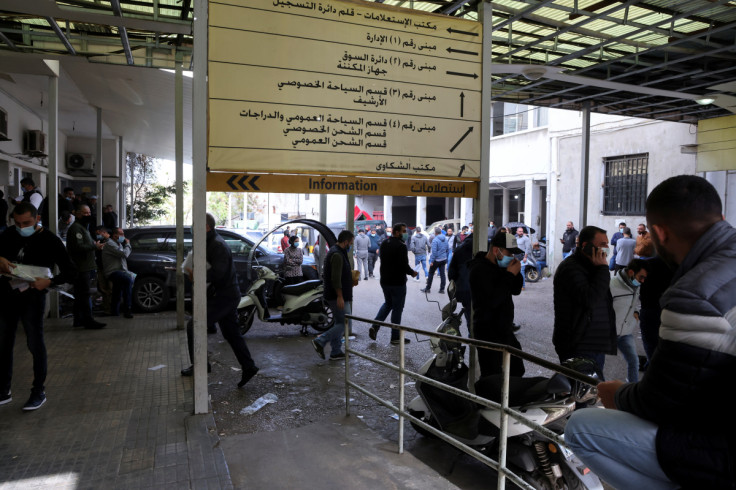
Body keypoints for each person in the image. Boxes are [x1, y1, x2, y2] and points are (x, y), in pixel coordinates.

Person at [566, 175, 736, 490]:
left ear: (658, 233)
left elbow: (660, 401)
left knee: (581, 427)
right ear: (721, 219)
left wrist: (616, 393)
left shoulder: (693, 293)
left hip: (722, 452)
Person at [0, 202, 76, 410]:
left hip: (33, 297)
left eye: (26, 223)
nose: (21, 226)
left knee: (35, 342)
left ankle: (38, 391)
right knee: (4, 342)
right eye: (17, 223)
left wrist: (50, 282)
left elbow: (71, 271)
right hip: (7, 295)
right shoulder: (7, 235)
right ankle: (3, 389)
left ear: (37, 220)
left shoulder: (50, 240)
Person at [181, 213, 259, 388]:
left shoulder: (217, 245)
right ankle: (249, 366)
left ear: (206, 226)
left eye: (196, 225)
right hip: (223, 295)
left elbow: (218, 273)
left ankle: (200, 365)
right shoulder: (208, 242)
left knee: (194, 326)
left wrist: (196, 274)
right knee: (231, 333)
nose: (193, 228)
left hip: (224, 296)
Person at [552, 225, 614, 379]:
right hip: (579, 345)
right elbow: (590, 299)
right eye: (602, 244)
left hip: (593, 342)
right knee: (583, 394)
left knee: (591, 392)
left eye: (607, 244)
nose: (606, 248)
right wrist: (603, 269)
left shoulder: (591, 266)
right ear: (586, 246)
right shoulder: (571, 268)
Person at [468, 232, 525, 377]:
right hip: (488, 331)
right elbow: (492, 301)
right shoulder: (479, 270)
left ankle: (510, 399)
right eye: (509, 253)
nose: (511, 257)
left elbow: (516, 290)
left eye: (514, 254)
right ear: (496, 250)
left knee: (517, 369)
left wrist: (516, 273)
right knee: (492, 376)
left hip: (504, 330)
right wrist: (509, 275)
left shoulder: (501, 268)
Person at [368, 223, 418, 344]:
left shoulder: (385, 243)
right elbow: (403, 264)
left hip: (385, 280)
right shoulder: (401, 246)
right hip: (397, 282)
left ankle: (375, 326)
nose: (405, 234)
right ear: (396, 232)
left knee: (388, 303)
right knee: (397, 308)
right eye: (404, 231)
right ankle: (395, 337)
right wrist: (412, 273)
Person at [311, 230, 354, 361]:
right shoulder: (337, 255)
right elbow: (335, 278)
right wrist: (340, 296)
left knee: (339, 322)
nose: (351, 245)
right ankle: (320, 341)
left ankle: (336, 351)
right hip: (337, 296)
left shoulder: (338, 251)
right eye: (351, 243)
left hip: (338, 294)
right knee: (345, 324)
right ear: (345, 242)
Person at [66, 203, 106, 329]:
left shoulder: (83, 227)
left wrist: (93, 244)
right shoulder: (76, 228)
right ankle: (88, 320)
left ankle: (78, 320)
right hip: (81, 267)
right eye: (85, 213)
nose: (88, 215)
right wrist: (95, 246)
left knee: (80, 295)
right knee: (84, 295)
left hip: (85, 266)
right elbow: (78, 247)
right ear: (77, 213)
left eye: (89, 213)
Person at [610, 259, 648, 383]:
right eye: (641, 277)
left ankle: (631, 389)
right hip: (608, 333)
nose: (642, 281)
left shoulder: (635, 286)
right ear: (631, 272)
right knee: (596, 363)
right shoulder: (611, 285)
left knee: (634, 361)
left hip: (625, 333)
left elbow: (632, 304)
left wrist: (636, 313)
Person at [637, 256, 673, 368]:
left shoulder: (647, 264)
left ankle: (653, 368)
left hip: (649, 308)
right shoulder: (680, 265)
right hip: (671, 310)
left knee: (651, 343)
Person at [102, 227, 134, 318]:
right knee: (128, 281)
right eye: (121, 234)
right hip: (113, 271)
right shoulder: (110, 244)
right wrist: (128, 244)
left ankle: (114, 311)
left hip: (119, 271)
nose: (123, 236)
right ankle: (127, 309)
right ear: (115, 235)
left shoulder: (118, 244)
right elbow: (124, 254)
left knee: (117, 289)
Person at [448, 232, 474, 332]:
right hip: (482, 291)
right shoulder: (486, 248)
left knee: (470, 318)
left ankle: (472, 339)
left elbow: (451, 273)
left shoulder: (460, 249)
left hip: (464, 290)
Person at [421, 227, 448, 294]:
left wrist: (432, 261)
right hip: (443, 259)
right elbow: (447, 248)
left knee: (431, 273)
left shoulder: (435, 240)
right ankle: (442, 289)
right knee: (442, 274)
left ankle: (428, 289)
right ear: (441, 232)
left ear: (435, 233)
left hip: (437, 260)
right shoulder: (445, 238)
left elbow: (434, 252)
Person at [93, 225, 113, 314]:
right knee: (103, 289)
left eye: (99, 234)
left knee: (111, 288)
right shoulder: (99, 241)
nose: (98, 236)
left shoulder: (111, 241)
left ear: (104, 232)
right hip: (101, 268)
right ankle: (107, 308)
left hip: (109, 268)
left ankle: (112, 308)